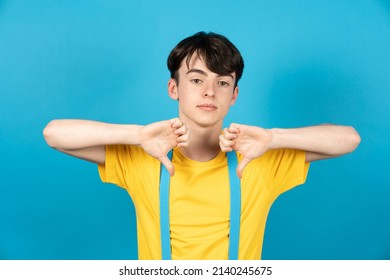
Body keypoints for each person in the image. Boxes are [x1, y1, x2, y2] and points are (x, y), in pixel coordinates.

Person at [43, 31, 361, 260]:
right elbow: (54, 133)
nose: (210, 91)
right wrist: (137, 135)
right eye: (196, 79)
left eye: (222, 82)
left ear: (233, 95)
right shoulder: (142, 158)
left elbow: (349, 139)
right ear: (174, 88)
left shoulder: (259, 160)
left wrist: (274, 138)